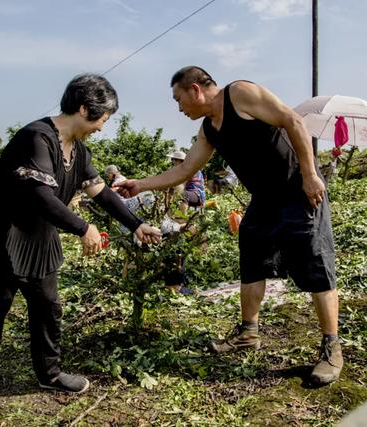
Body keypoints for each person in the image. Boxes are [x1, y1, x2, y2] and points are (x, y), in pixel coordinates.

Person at [117, 66, 342, 385]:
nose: (179, 108)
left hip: (297, 189)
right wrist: (140, 184)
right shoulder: (209, 129)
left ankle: (331, 347)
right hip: (264, 199)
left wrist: (310, 174)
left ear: (195, 89)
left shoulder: (240, 94)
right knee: (251, 254)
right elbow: (184, 171)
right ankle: (248, 333)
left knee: (315, 262)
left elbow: (293, 120)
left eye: (179, 99)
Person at [0, 74, 161, 424]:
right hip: (0, 238)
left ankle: (49, 373)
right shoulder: (35, 138)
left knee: (48, 309)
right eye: (103, 118)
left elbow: (103, 194)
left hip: (39, 241)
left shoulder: (80, 152)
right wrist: (83, 228)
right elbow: (39, 195)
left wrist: (136, 224)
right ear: (85, 109)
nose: (102, 127)